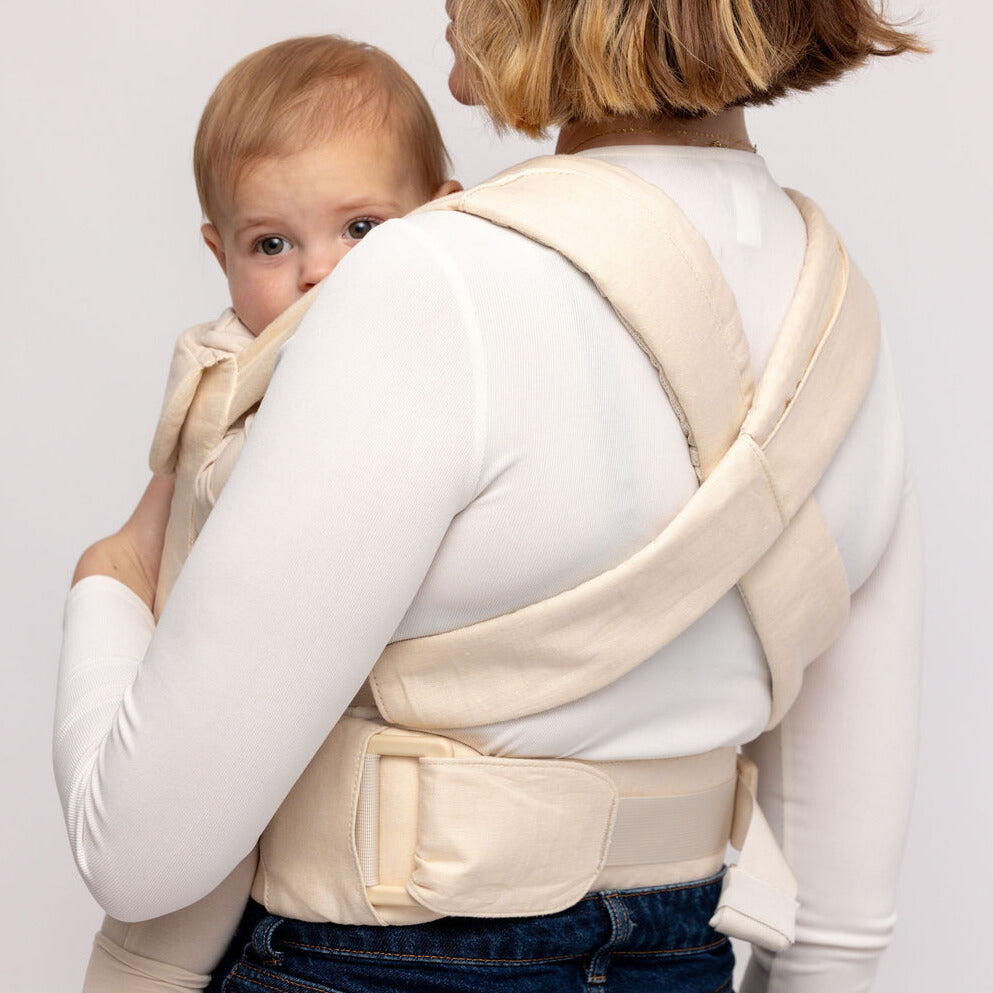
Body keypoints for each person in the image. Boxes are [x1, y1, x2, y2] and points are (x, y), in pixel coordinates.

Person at [53, 1, 929, 991]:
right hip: (683, 959)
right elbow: (840, 930)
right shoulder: (842, 327)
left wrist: (110, 578)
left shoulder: (429, 284)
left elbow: (138, 849)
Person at [73, 34, 459, 993]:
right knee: (153, 939)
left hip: (344, 811)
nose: (320, 271)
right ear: (220, 251)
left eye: (362, 228)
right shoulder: (225, 366)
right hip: (197, 746)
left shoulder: (435, 370)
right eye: (271, 244)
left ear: (445, 217)